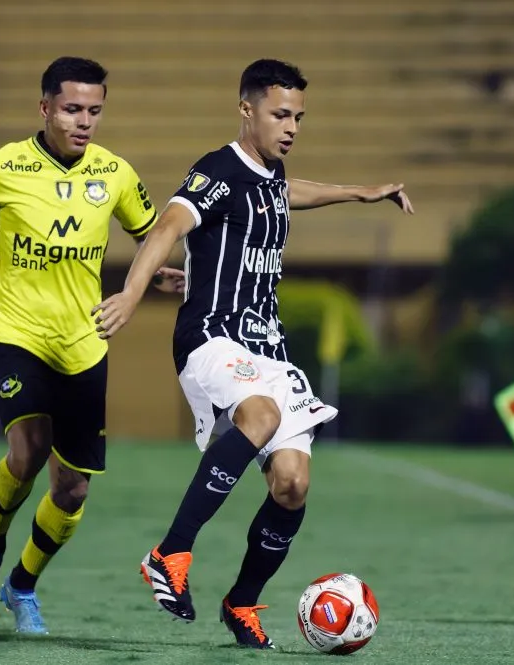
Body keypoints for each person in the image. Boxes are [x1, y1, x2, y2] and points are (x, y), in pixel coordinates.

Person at [92, 59, 413, 649]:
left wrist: (359, 193)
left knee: (291, 485)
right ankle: (170, 552)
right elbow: (167, 227)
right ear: (247, 110)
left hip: (269, 347)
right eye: (279, 114)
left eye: (298, 117)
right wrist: (130, 297)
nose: (290, 126)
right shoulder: (216, 170)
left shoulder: (271, 173)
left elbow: (288, 191)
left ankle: (240, 604)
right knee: (259, 415)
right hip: (211, 338)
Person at [0, 56, 184, 635]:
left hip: (85, 339)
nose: (84, 122)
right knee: (27, 450)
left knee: (72, 487)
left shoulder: (117, 175)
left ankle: (21, 585)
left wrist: (161, 277)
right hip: (13, 328)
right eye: (73, 109)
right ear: (45, 107)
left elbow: (154, 239)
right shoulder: (1, 167)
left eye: (94, 111)